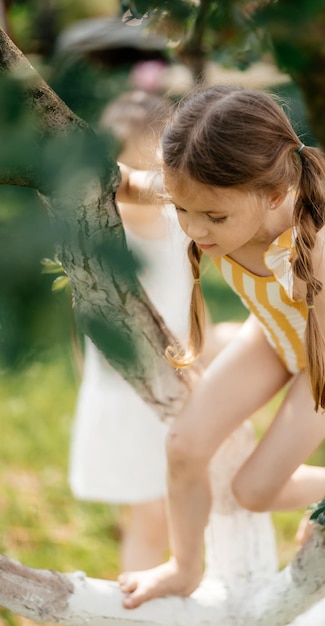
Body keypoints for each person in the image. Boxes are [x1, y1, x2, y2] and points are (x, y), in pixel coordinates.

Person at [117, 84, 325, 606]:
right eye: (185, 211)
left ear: (276, 195)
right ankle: (184, 568)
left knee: (252, 492)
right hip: (274, 331)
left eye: (215, 218)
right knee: (183, 447)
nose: (195, 230)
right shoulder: (207, 194)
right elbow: (130, 184)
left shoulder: (313, 249)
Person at [69, 89, 239, 571]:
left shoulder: (173, 215)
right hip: (134, 396)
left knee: (156, 518)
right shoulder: (128, 217)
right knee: (149, 523)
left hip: (155, 381)